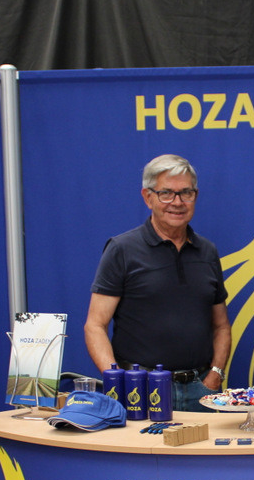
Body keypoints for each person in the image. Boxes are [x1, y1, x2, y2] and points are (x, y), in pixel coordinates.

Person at [85, 154, 230, 412]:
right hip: (141, 392)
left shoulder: (207, 252)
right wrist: (119, 382)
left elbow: (221, 325)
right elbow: (95, 325)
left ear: (195, 196)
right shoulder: (122, 250)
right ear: (147, 197)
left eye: (186, 193)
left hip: (202, 391)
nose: (177, 202)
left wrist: (215, 374)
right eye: (166, 193)